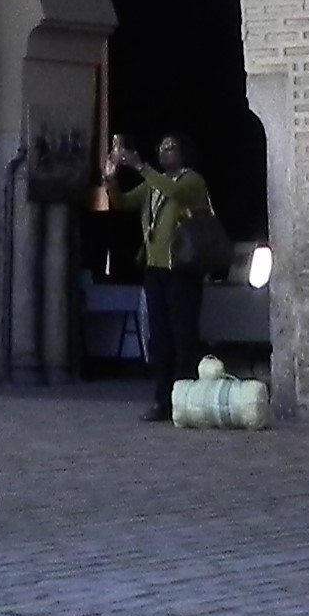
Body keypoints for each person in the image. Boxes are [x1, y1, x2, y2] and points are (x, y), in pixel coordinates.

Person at [106, 130, 216, 422]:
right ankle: (162, 401)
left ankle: (184, 400)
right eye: (162, 148)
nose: (166, 152)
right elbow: (123, 203)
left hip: (182, 269)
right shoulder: (153, 186)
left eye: (172, 147)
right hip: (155, 270)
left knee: (183, 337)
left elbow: (175, 192)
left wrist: (140, 166)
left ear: (184, 153)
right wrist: (111, 179)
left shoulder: (192, 180)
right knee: (160, 339)